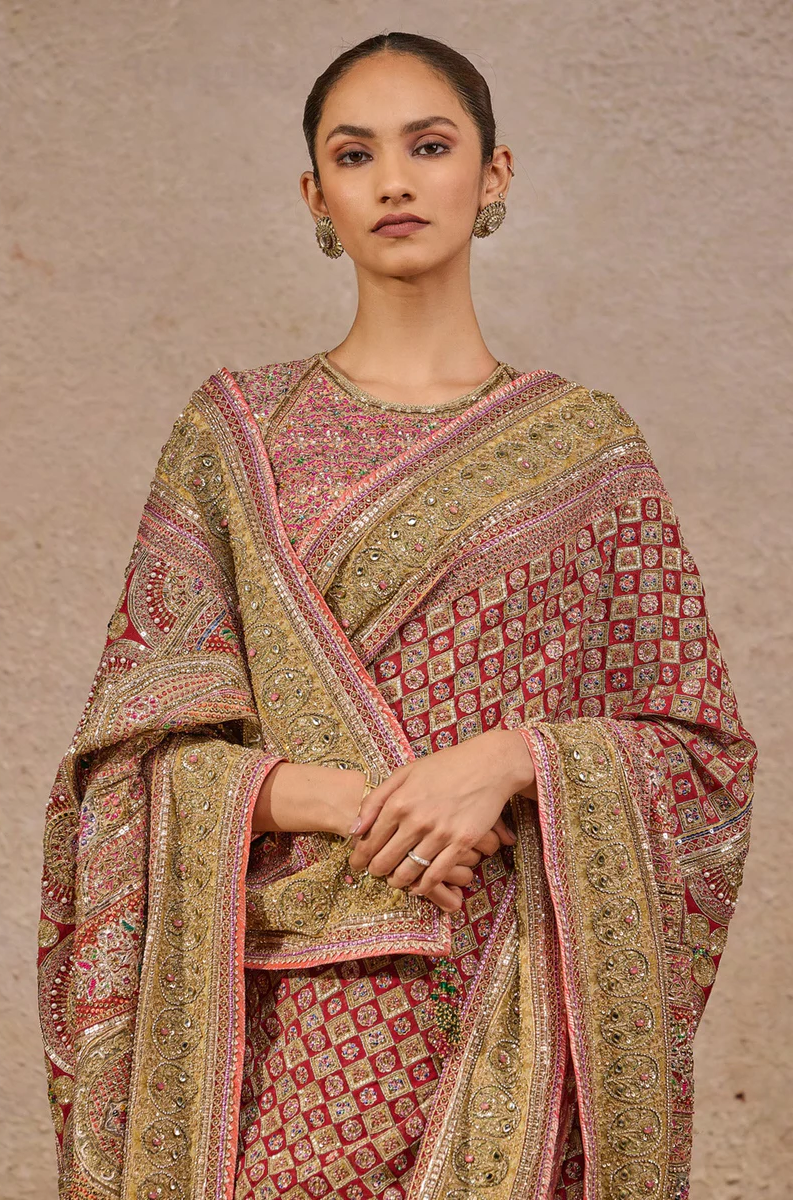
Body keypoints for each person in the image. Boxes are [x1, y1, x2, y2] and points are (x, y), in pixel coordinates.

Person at [37, 31, 757, 1200]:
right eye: (354, 153)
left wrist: (511, 761)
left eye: (428, 146)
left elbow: (699, 757)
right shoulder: (234, 438)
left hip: (512, 1009)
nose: (393, 180)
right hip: (280, 1031)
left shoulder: (586, 455)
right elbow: (129, 763)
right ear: (314, 195)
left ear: (493, 172)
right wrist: (335, 799)